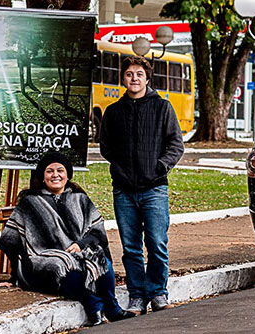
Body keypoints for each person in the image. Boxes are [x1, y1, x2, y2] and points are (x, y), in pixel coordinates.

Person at [0, 152, 136, 327]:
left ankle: (112, 308)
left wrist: (80, 245)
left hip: (79, 253)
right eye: (49, 171)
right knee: (64, 269)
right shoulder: (29, 203)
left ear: (67, 175)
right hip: (44, 259)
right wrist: (14, 278)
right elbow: (13, 242)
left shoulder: (81, 199)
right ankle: (94, 306)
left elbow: (97, 232)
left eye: (60, 170)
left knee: (100, 259)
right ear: (42, 176)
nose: (55, 175)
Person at [100, 56, 184, 314]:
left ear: (147, 79)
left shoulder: (162, 108)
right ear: (123, 79)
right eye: (129, 74)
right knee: (131, 247)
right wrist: (121, 169)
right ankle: (137, 296)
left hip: (155, 189)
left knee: (157, 242)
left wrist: (158, 167)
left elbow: (175, 145)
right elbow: (106, 148)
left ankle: (158, 292)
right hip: (124, 190)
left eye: (139, 74)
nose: (134, 78)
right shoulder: (113, 111)